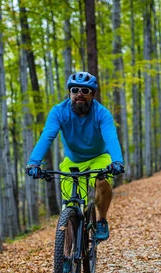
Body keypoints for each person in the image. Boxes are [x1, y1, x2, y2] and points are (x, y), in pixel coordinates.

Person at [26, 71, 124, 241]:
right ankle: (67, 254)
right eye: (75, 90)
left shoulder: (102, 113)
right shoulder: (58, 112)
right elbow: (47, 136)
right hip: (73, 161)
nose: (79, 94)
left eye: (85, 91)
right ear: (69, 92)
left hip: (99, 157)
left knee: (103, 182)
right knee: (71, 207)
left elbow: (111, 138)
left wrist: (117, 161)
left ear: (93, 94)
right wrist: (34, 163)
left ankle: (101, 219)